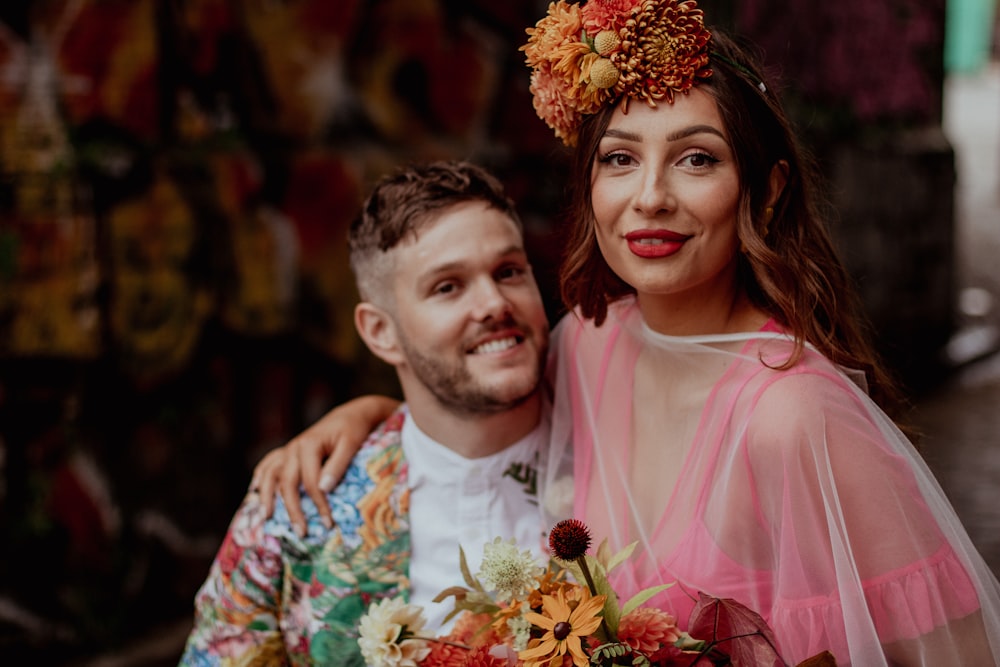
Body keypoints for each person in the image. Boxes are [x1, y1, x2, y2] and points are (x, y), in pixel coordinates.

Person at [253, 1, 1000, 664]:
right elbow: (476, 412)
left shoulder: (793, 417)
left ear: (765, 192)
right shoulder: (590, 341)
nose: (650, 197)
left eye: (696, 159)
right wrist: (365, 420)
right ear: (590, 186)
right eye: (619, 159)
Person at [179, 160, 552, 665]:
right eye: (448, 287)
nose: (493, 303)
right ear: (380, 332)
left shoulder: (622, 464)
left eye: (508, 272)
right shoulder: (296, 510)